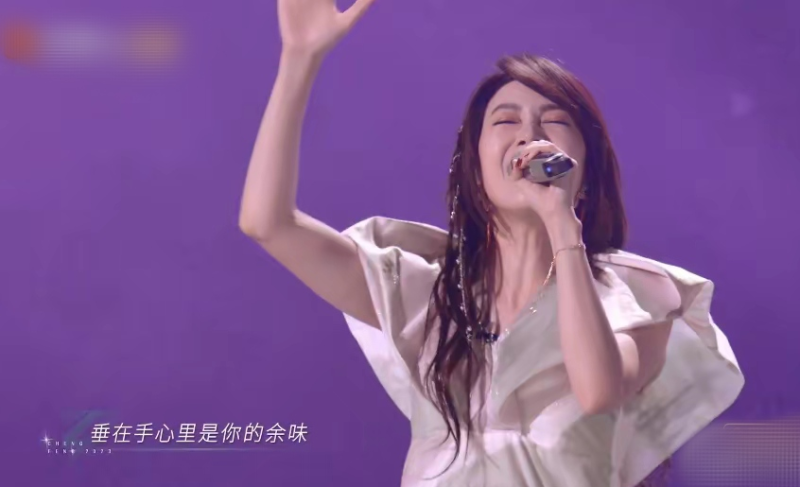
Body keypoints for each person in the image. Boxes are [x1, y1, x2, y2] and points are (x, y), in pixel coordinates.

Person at [238, 1, 746, 485]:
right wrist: (299, 59)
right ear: (476, 173)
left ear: (587, 175)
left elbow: (596, 391)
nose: (529, 134)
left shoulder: (634, 302)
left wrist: (561, 222)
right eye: (506, 121)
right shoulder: (427, 296)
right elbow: (268, 224)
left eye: (554, 121)